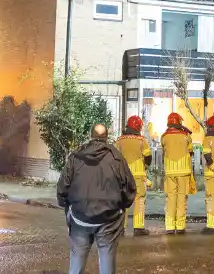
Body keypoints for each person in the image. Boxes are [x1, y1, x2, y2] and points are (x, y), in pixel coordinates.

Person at [56, 123, 136, 274]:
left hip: (80, 217)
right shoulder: (117, 157)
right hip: (109, 219)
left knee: (77, 260)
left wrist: (66, 205)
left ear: (90, 136)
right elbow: (130, 188)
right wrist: (122, 206)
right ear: (106, 137)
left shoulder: (76, 156)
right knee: (107, 257)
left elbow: (62, 187)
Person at [115, 115, 153, 236]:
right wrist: (145, 167)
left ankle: (121, 227)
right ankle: (138, 227)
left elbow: (115, 156)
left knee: (123, 201)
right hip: (138, 176)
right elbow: (148, 157)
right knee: (139, 200)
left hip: (123, 176)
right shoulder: (142, 141)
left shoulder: (120, 140)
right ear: (138, 127)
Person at [160, 112, 194, 235]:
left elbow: (163, 150)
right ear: (179, 122)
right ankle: (180, 226)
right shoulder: (186, 135)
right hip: (183, 171)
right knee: (181, 199)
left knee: (170, 199)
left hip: (170, 171)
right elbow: (190, 151)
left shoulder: (164, 136)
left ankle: (169, 226)